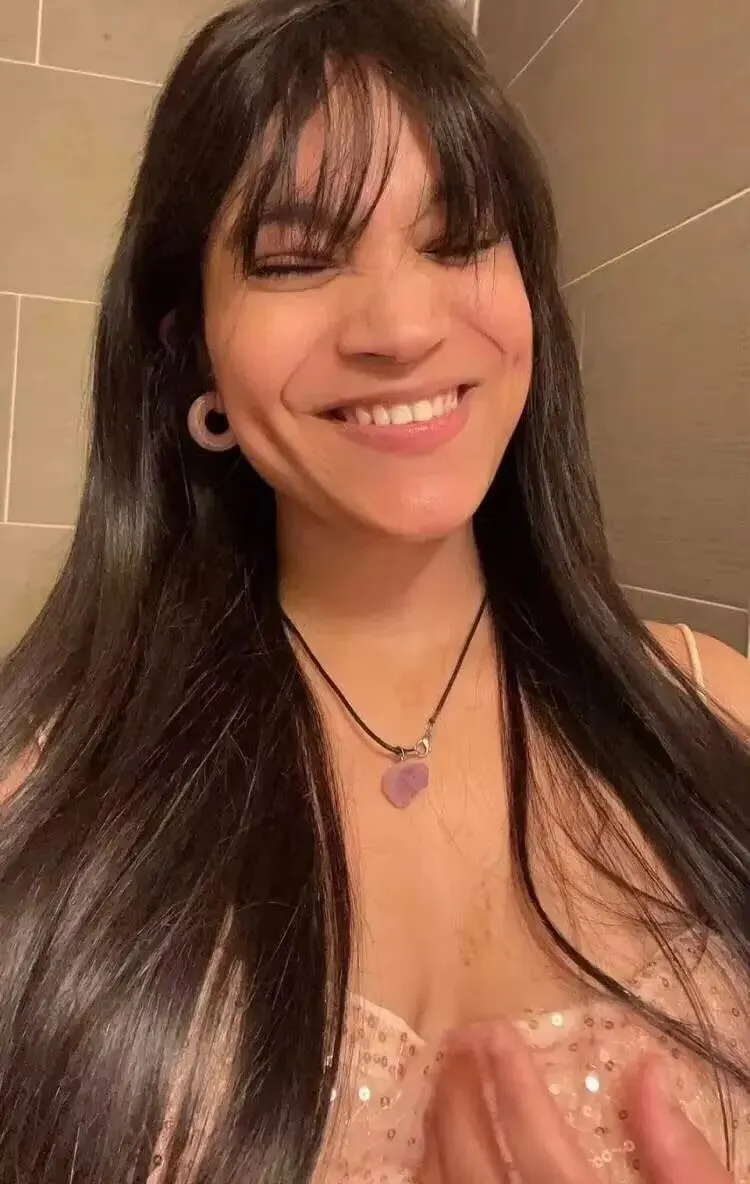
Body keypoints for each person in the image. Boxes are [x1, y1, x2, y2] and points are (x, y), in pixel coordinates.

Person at [0, 0, 747, 1181]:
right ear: (190, 346)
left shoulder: (718, 708)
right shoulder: (37, 793)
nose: (401, 327)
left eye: (460, 240)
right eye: (298, 259)